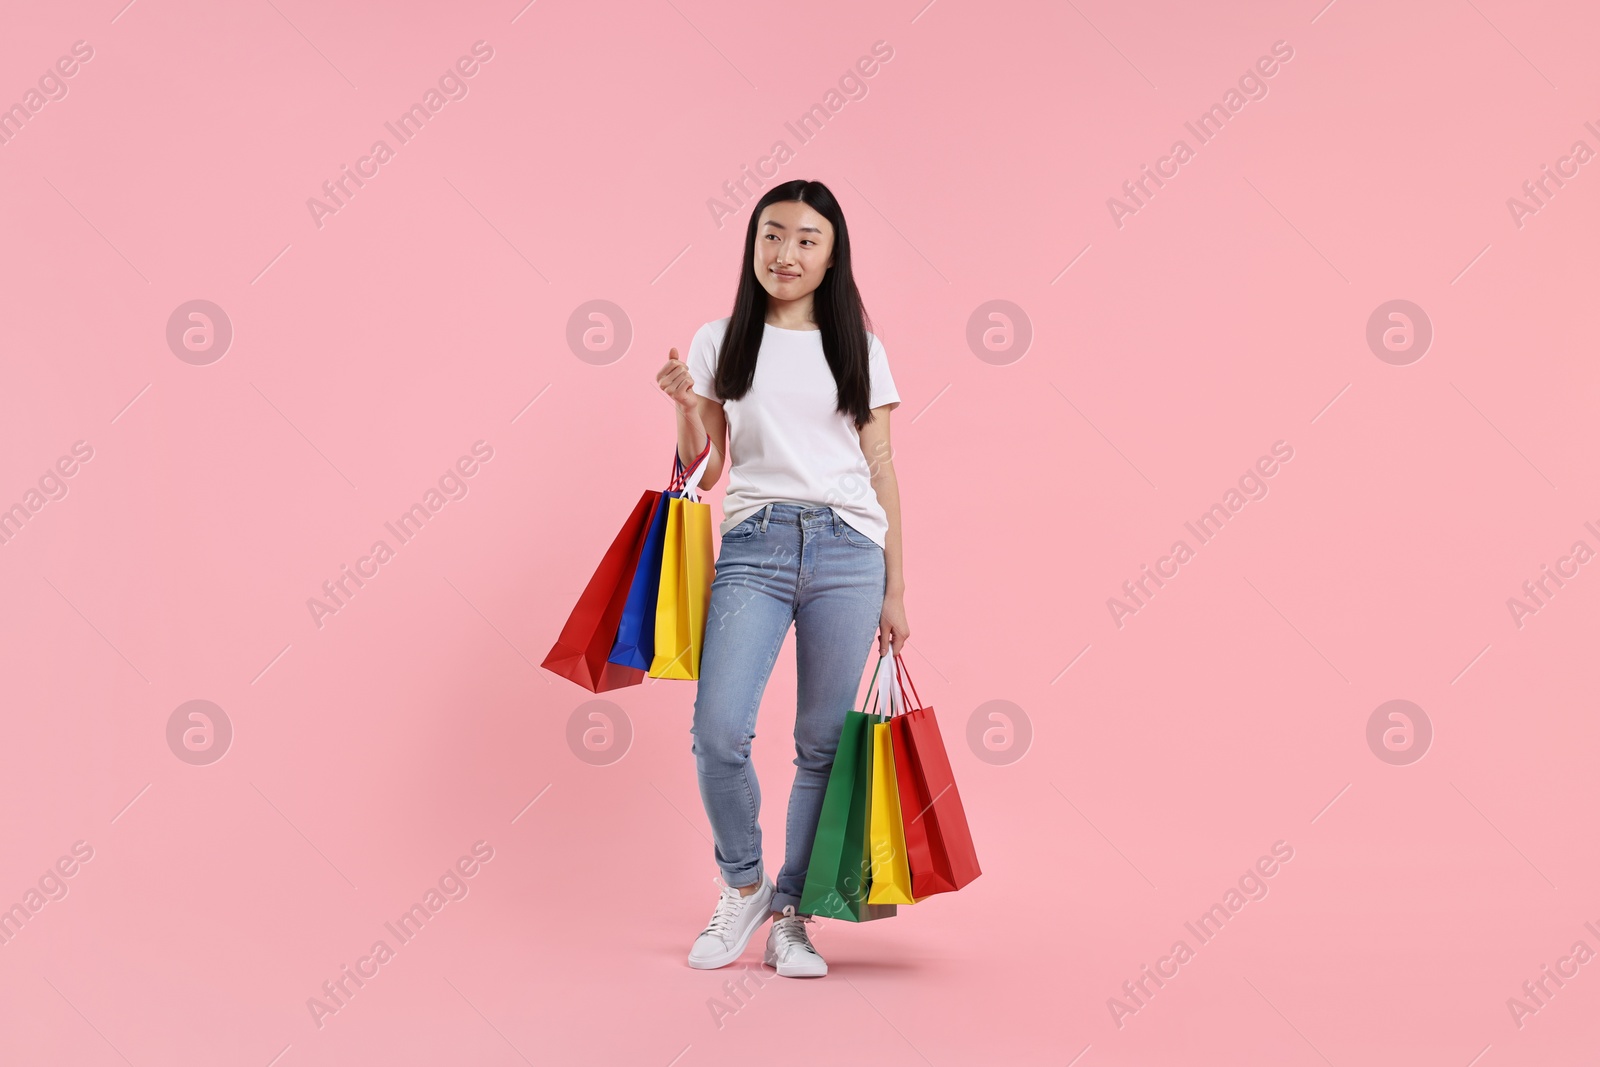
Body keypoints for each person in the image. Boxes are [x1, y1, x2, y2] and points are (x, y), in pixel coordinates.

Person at [654, 179, 909, 978]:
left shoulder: (858, 348)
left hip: (847, 551)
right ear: (752, 243)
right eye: (772, 235)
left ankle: (794, 916)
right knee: (718, 731)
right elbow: (705, 465)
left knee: (822, 745)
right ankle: (746, 885)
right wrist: (685, 405)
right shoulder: (720, 338)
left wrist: (896, 589)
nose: (785, 254)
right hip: (755, 545)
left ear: (832, 254)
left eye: (806, 239)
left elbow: (881, 466)